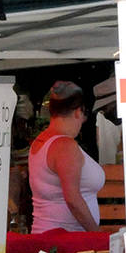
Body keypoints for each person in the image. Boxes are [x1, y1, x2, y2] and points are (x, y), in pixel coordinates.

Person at [29, 81, 105, 232]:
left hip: (49, 234)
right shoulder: (64, 145)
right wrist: (96, 234)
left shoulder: (41, 140)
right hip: (66, 239)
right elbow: (73, 199)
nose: (83, 121)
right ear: (78, 112)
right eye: (84, 115)